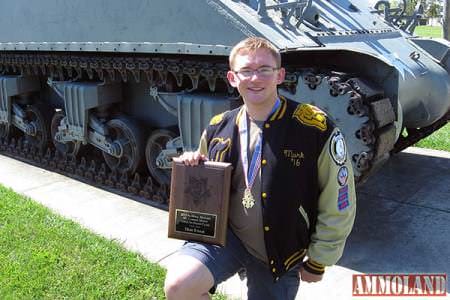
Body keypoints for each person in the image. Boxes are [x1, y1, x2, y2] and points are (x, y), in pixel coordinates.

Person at [164, 37, 356, 300]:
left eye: (264, 69)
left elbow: (338, 196)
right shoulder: (219, 126)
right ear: (232, 78)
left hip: (279, 248)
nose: (255, 78)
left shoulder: (313, 129)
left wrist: (320, 258)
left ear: (280, 75)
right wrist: (193, 165)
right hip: (227, 237)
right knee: (179, 288)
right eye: (246, 71)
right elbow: (207, 186)